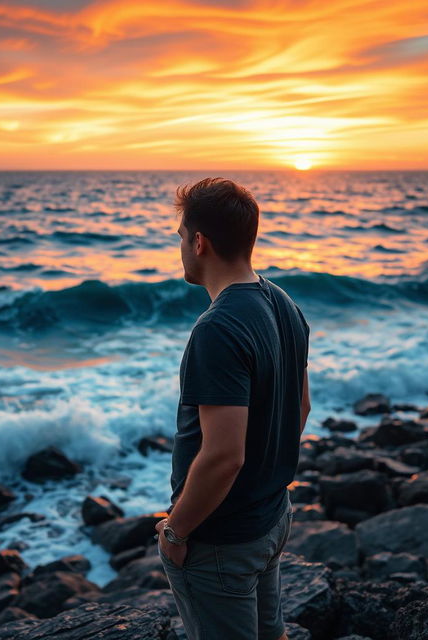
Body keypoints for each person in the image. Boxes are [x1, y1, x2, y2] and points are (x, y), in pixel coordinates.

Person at [155, 177, 311, 640]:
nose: (181, 247)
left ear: (199, 242)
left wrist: (176, 532)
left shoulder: (217, 329)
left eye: (181, 238)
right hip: (271, 516)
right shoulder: (284, 303)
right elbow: (300, 407)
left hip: (222, 538)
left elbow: (225, 455)